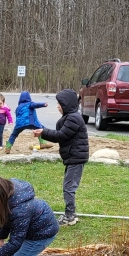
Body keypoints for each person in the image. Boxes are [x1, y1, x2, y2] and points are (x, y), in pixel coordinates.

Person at [33, 89, 89, 226]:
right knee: (68, 186)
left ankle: (69, 216)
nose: (58, 106)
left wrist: (43, 132)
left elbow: (61, 135)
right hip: (73, 157)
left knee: (69, 188)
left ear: (67, 104)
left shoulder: (73, 118)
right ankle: (72, 214)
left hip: (76, 158)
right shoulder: (71, 117)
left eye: (60, 104)